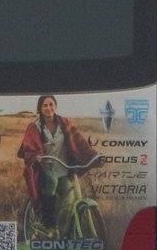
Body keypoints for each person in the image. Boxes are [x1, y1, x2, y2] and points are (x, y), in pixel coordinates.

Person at [17, 95, 100, 231]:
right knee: (52, 181)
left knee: (70, 198)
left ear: (55, 106)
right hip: (45, 168)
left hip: (63, 169)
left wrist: (95, 155)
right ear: (40, 108)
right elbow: (28, 147)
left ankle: (62, 231)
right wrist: (35, 157)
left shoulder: (65, 123)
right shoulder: (35, 127)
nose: (48, 108)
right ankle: (47, 221)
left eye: (51, 104)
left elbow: (79, 142)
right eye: (45, 105)